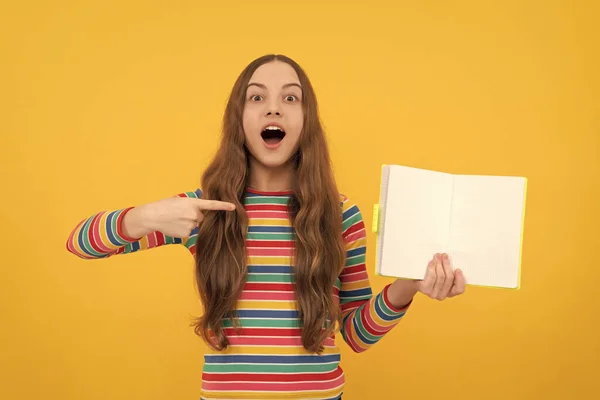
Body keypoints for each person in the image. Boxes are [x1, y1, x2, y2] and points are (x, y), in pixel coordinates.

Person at [66, 54, 466, 400]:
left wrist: (409, 284)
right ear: (238, 119)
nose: (273, 109)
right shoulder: (201, 210)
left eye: (290, 98)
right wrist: (146, 217)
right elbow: (80, 243)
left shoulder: (341, 215)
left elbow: (358, 334)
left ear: (306, 120)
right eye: (257, 97)